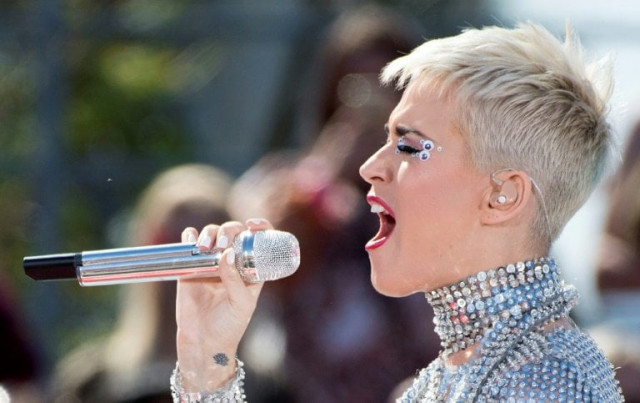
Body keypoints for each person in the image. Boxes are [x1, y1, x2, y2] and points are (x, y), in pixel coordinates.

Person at [170, 22, 625, 402]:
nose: (370, 166)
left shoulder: (546, 380)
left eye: (408, 146)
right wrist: (206, 359)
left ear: (502, 194)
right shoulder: (454, 379)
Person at [51, 163, 233, 402]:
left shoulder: (264, 384)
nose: (183, 269)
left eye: (206, 252)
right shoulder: (92, 382)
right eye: (168, 245)